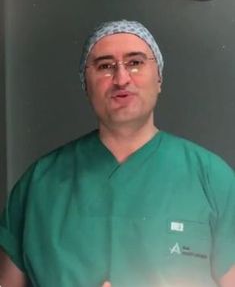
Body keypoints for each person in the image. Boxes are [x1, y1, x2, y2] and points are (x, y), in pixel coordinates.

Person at [0, 20, 235, 287]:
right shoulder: (39, 185)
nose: (122, 79)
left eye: (135, 62)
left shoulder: (213, 179)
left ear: (158, 78)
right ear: (86, 85)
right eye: (105, 66)